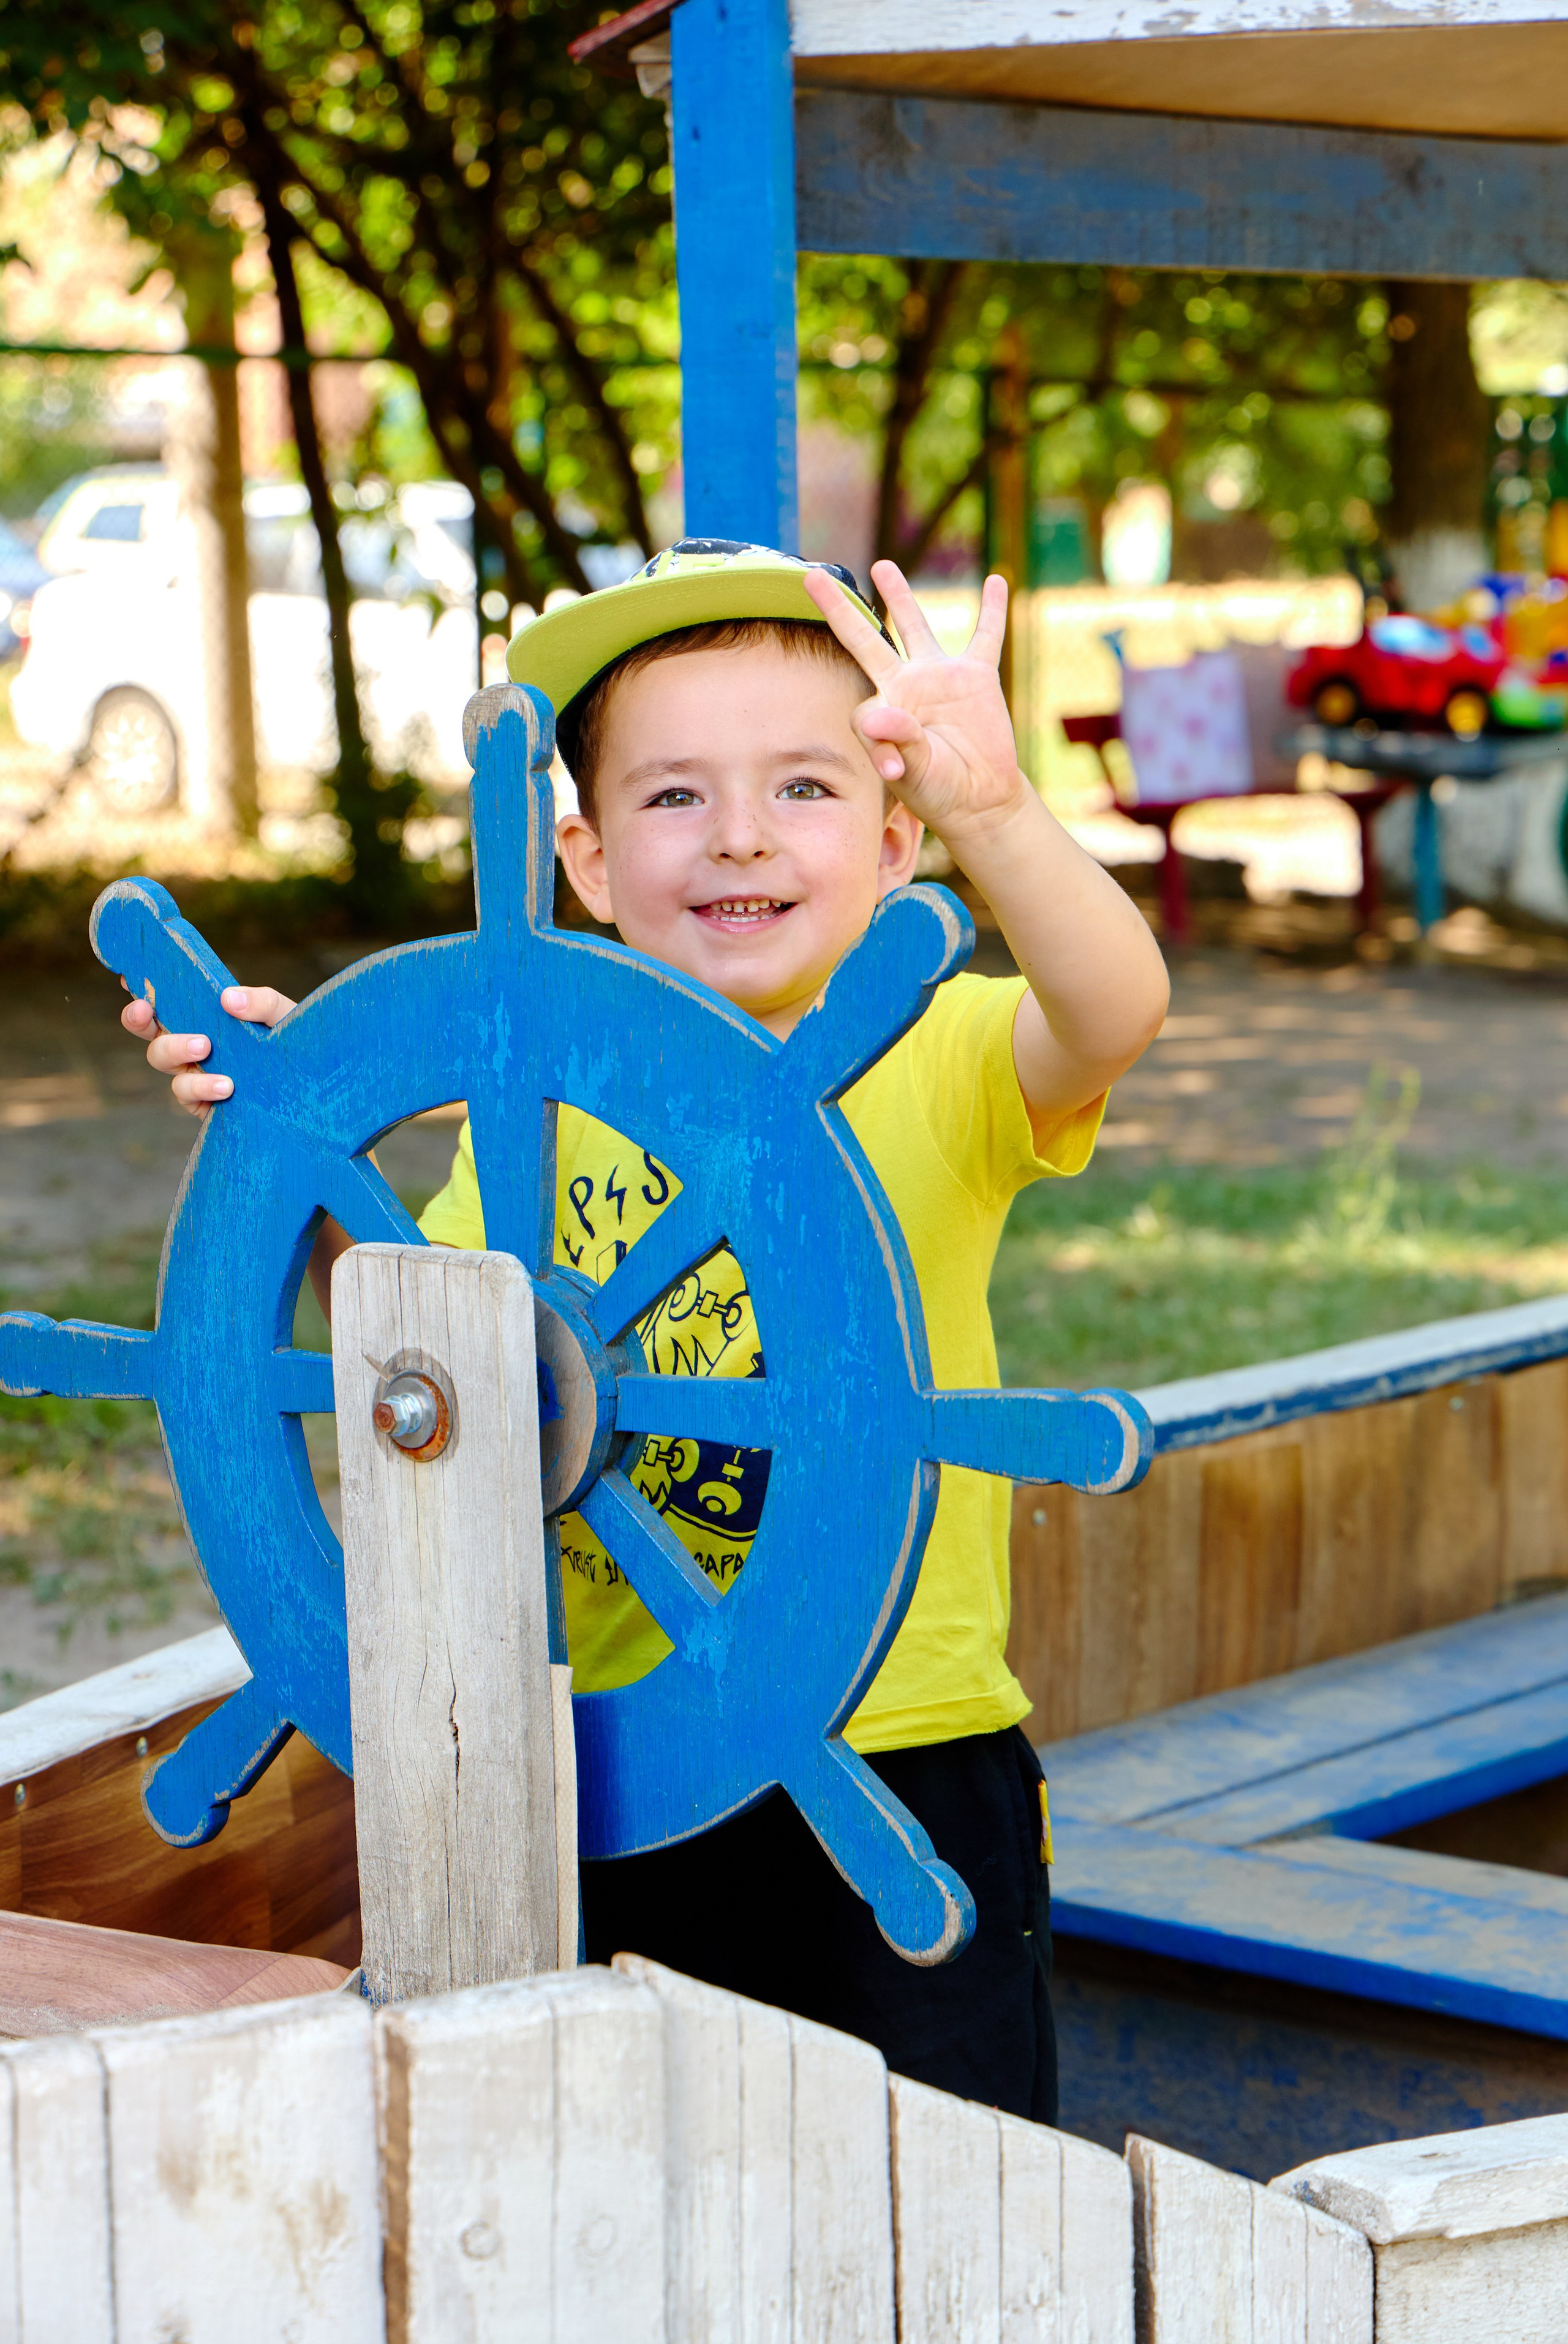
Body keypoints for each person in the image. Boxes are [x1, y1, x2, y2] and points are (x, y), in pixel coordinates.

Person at [123, 539, 1168, 2122]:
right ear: (587, 861)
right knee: (635, 2182)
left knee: (946, 2200)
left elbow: (1115, 1008)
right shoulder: (532, 1102)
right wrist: (304, 1144)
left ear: (900, 843)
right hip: (612, 1764)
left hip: (890, 1752)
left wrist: (1004, 817)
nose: (739, 834)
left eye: (805, 789)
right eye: (674, 796)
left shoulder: (941, 1057)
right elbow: (440, 1356)